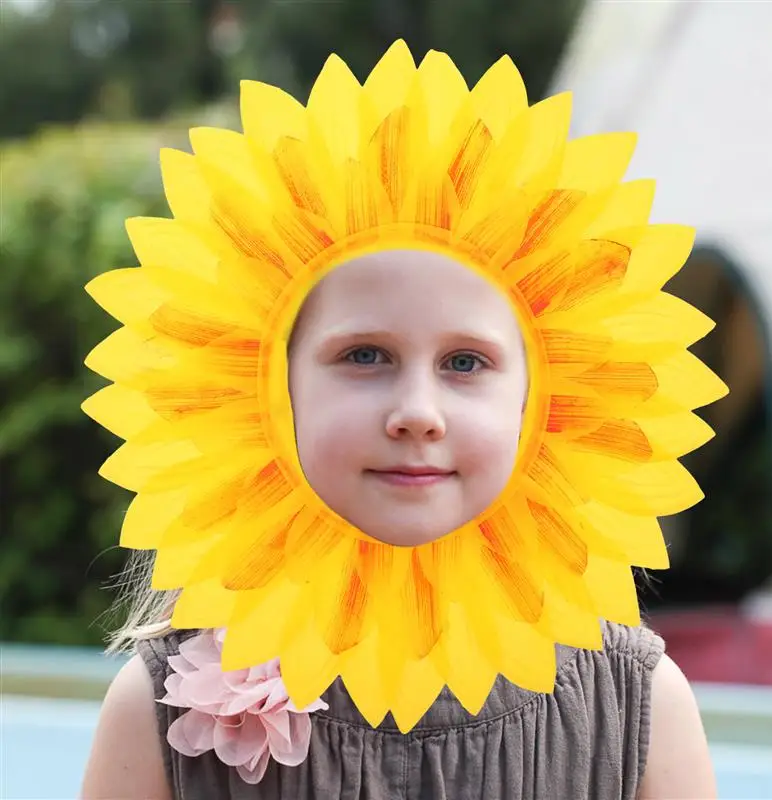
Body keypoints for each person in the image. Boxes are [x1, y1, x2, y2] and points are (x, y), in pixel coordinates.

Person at [78, 40, 722, 799]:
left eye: (465, 363)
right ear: (263, 387)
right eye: (365, 355)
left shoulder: (640, 709)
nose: (417, 413)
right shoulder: (155, 716)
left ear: (545, 399)